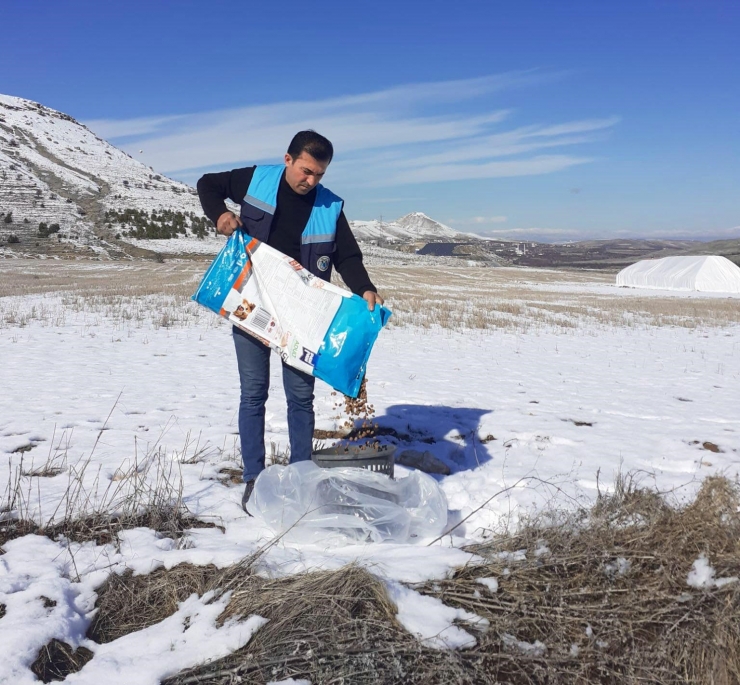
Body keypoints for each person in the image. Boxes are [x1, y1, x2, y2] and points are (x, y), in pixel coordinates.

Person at [197, 130, 383, 513]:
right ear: (288, 159)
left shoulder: (330, 206)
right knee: (254, 394)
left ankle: (302, 477)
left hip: (303, 319)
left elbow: (346, 255)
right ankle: (254, 478)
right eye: (305, 171)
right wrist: (220, 214)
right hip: (253, 306)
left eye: (319, 174)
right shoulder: (256, 180)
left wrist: (364, 287)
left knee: (301, 399)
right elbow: (207, 185)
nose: (310, 181)